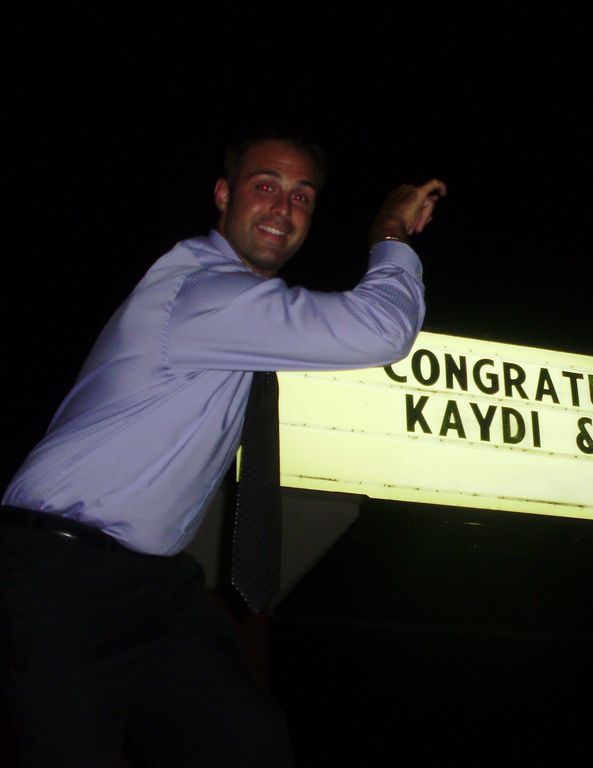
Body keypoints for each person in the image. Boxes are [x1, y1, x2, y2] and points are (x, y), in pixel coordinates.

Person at [0, 130, 446, 767]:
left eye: (302, 197)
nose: (283, 208)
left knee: (249, 742)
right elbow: (380, 330)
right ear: (222, 194)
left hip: (154, 587)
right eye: (265, 186)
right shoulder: (202, 292)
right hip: (61, 573)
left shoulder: (237, 314)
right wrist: (391, 234)